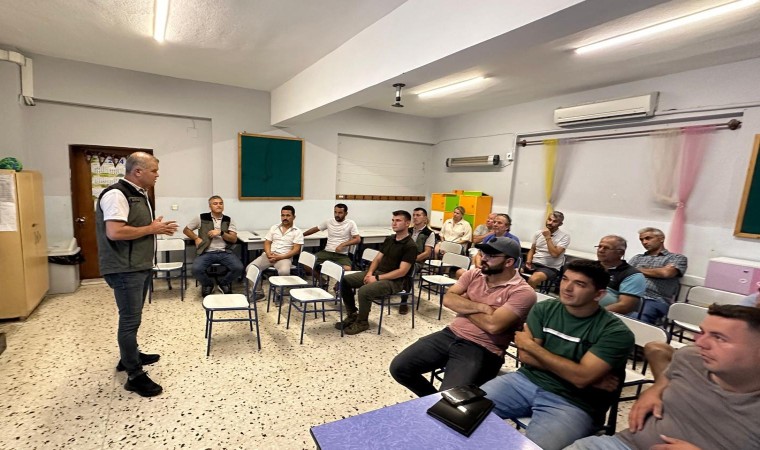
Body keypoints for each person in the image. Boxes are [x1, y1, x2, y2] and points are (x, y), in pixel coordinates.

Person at [480, 259, 634, 450]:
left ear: (599, 294)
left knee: (536, 448)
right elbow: (526, 358)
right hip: (525, 381)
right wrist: (577, 373)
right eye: (565, 279)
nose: (567, 288)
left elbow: (579, 378)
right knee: (462, 410)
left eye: (580, 284)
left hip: (573, 402)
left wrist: (531, 346)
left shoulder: (615, 332)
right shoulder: (544, 309)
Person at [566, 304, 760, 450]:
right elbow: (665, 375)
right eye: (702, 333)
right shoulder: (690, 357)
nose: (701, 343)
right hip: (624, 445)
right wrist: (655, 389)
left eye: (718, 337)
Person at [389, 237, 536, 396]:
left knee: (451, 396)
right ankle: (435, 402)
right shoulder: (474, 274)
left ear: (509, 262)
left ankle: (444, 404)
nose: (484, 259)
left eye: (491, 256)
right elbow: (448, 299)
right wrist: (482, 307)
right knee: (399, 368)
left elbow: (493, 326)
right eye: (483, 253)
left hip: (483, 348)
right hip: (450, 334)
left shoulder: (523, 292)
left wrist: (464, 304)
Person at [95, 152, 178, 397]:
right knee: (129, 321)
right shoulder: (116, 194)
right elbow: (115, 232)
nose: (157, 175)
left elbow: (135, 227)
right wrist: (151, 228)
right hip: (125, 269)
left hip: (137, 266)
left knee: (133, 318)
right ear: (138, 171)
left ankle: (129, 356)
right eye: (154, 170)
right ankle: (134, 374)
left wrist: (154, 227)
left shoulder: (138, 194)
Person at [335, 210, 417, 335]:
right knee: (344, 281)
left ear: (407, 223)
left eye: (398, 220)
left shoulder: (410, 246)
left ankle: (362, 322)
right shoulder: (390, 239)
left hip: (395, 281)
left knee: (364, 291)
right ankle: (352, 314)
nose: (394, 223)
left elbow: (402, 271)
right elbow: (377, 258)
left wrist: (377, 278)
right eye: (393, 220)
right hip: (378, 273)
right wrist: (370, 273)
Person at [183, 196, 244, 296]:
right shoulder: (201, 217)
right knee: (195, 270)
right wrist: (196, 238)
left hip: (225, 252)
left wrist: (221, 233)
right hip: (206, 252)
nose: (218, 205)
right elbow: (186, 230)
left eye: (221, 203)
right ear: (210, 206)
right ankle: (208, 285)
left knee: (239, 268)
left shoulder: (228, 220)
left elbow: (233, 239)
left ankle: (223, 283)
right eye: (215, 203)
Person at [628, 227, 687, 325]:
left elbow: (666, 273)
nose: (644, 242)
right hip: (630, 294)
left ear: (661, 239)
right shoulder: (637, 258)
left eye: (648, 238)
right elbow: (626, 273)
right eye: (641, 240)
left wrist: (637, 270)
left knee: (637, 318)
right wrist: (657, 271)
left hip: (654, 299)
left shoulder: (677, 258)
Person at [248, 205, 304, 299]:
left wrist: (280, 257)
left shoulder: (297, 232)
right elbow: (267, 242)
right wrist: (268, 253)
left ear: (294, 217)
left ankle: (279, 294)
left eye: (288, 215)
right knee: (250, 268)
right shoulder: (274, 227)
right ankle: (258, 293)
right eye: (283, 215)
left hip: (284, 258)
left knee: (284, 271)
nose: (285, 218)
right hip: (269, 255)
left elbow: (296, 250)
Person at [303, 203, 360, 279]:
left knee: (347, 269)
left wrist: (342, 245)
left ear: (346, 213)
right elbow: (316, 229)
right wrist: (302, 235)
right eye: (335, 212)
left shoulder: (350, 223)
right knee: (307, 264)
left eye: (340, 213)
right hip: (327, 252)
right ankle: (322, 281)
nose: (337, 215)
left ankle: (336, 283)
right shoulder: (329, 221)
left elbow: (357, 239)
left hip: (341, 255)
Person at [456, 213, 520, 279]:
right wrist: (478, 265)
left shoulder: (512, 241)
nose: (495, 224)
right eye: (494, 222)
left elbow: (513, 263)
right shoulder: (489, 237)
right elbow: (479, 254)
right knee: (460, 272)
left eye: (499, 223)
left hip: (499, 270)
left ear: (507, 227)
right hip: (485, 266)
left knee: (474, 278)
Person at [596, 235, 646, 315]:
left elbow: (625, 306)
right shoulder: (588, 267)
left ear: (621, 253)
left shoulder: (633, 275)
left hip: (606, 317)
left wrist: (592, 314)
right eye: (599, 247)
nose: (601, 250)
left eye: (606, 248)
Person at [402, 207, 438, 314]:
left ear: (425, 218)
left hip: (417, 261)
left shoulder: (429, 233)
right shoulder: (408, 230)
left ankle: (404, 301)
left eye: (418, 215)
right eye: (414, 215)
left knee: (409, 271)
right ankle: (383, 290)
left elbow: (426, 253)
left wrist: (411, 260)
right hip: (403, 258)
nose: (415, 217)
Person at [524, 211, 570, 290]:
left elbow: (554, 254)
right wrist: (528, 261)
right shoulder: (538, 233)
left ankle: (528, 297)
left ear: (560, 224)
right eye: (549, 219)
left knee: (533, 279)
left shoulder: (565, 236)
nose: (550, 223)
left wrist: (548, 237)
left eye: (554, 221)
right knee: (512, 273)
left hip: (550, 268)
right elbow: (532, 249)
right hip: (534, 264)